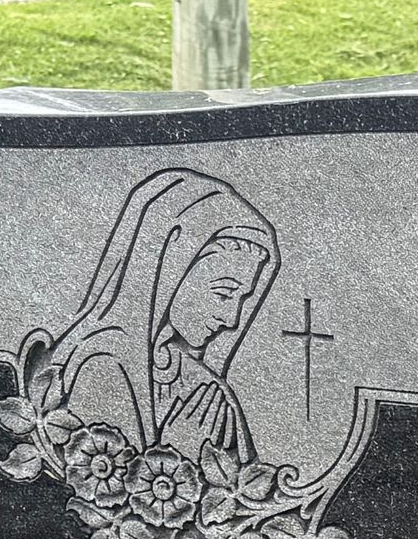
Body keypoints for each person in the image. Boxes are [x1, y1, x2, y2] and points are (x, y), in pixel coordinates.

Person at [39, 168, 279, 464]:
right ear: (169, 271)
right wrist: (181, 448)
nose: (231, 320)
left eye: (242, 299)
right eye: (224, 292)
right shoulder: (103, 362)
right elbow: (103, 486)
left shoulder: (209, 393)